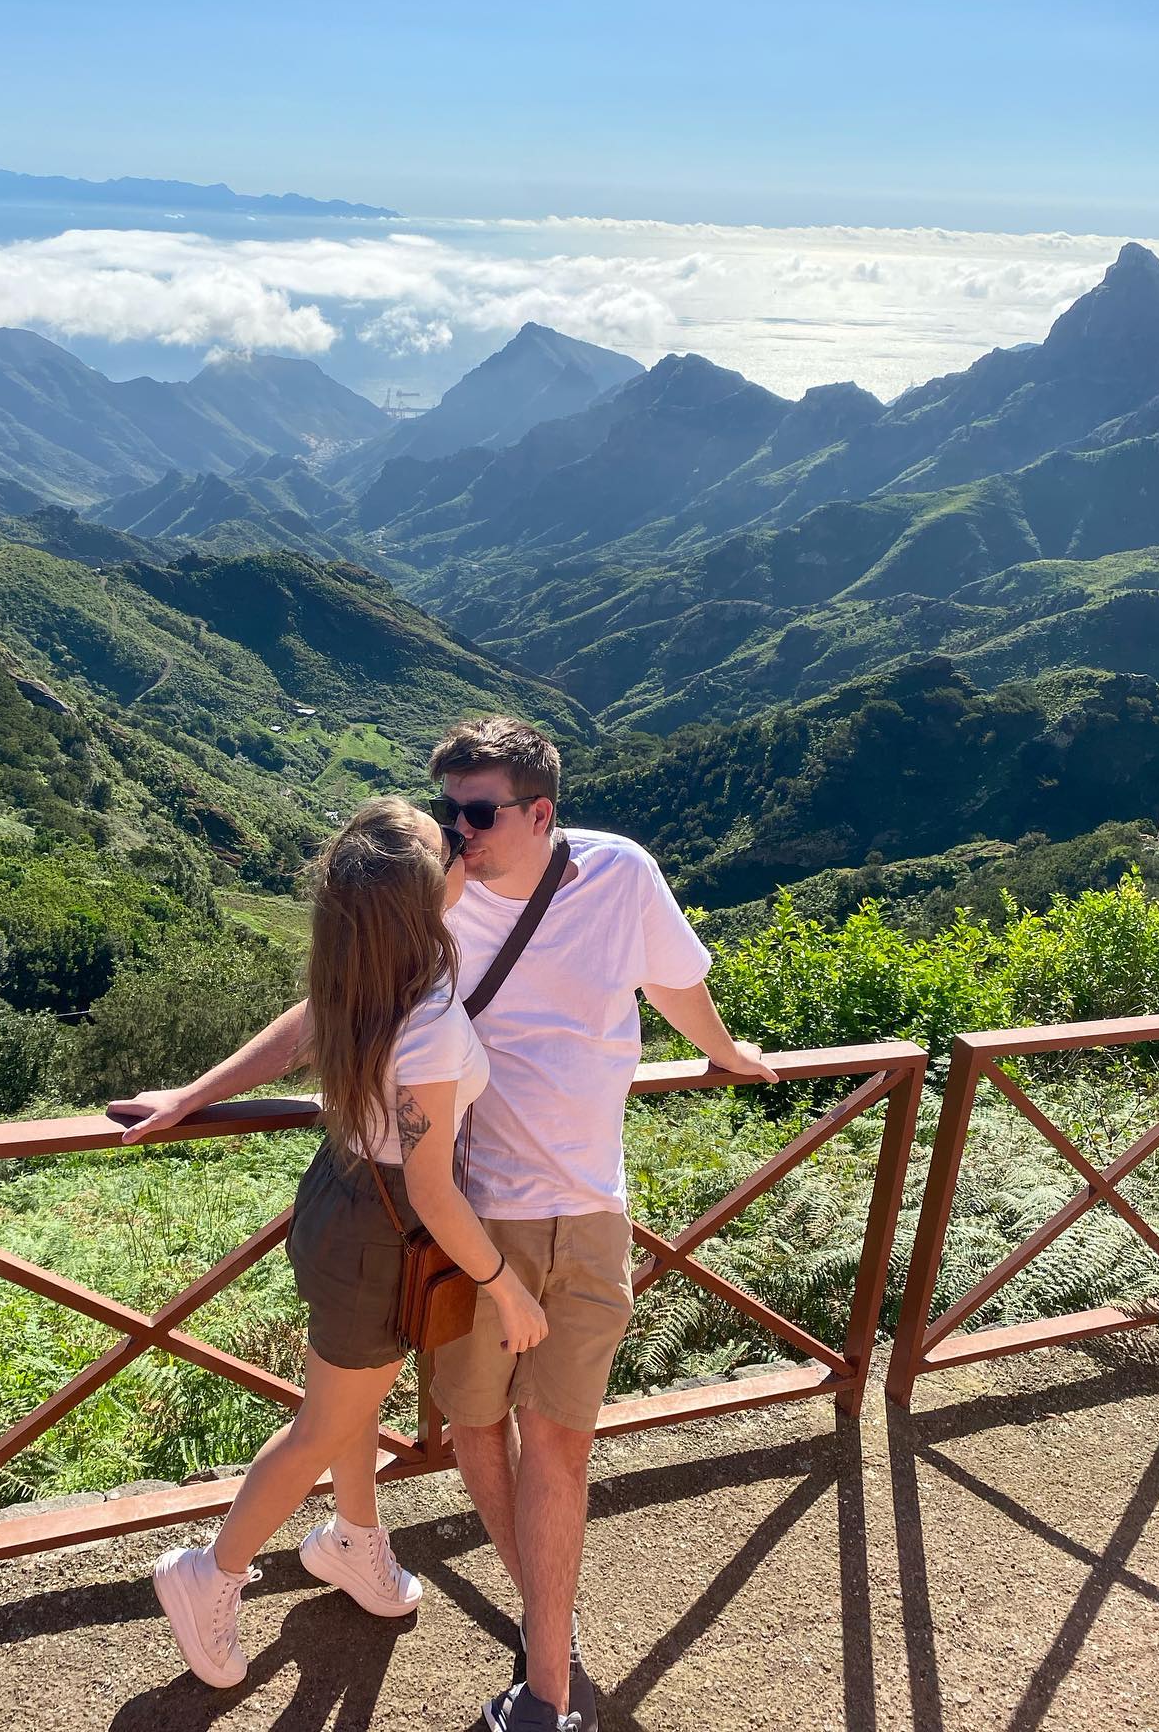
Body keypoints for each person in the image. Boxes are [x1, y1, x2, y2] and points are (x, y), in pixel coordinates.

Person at [117, 719, 776, 1732]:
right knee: (428, 1424)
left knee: (524, 1438)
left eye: (477, 813)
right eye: (447, 813)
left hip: (564, 1207)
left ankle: (503, 1643)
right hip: (449, 1222)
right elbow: (331, 1009)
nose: (459, 833)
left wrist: (727, 1052)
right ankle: (261, 1571)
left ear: (539, 812)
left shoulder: (618, 876)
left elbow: (675, 983)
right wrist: (192, 1097)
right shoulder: (440, 905)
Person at [111, 798, 551, 1694]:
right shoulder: (423, 1016)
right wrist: (506, 1288)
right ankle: (210, 1574)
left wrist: (193, 1094)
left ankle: (354, 1541)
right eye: (444, 843)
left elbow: (305, 1023)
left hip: (342, 1201)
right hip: (383, 1228)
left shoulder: (377, 970)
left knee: (351, 1400)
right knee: (325, 1422)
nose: (460, 841)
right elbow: (430, 1183)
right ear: (421, 898)